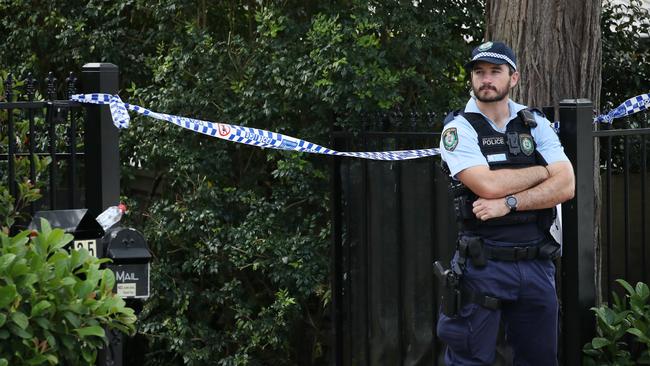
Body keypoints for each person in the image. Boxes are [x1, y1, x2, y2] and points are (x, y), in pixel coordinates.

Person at [435, 41, 575, 365]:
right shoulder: (458, 129)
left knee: (540, 358)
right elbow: (487, 184)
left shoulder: (534, 122)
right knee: (468, 359)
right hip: (484, 263)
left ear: (513, 78)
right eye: (479, 72)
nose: (486, 79)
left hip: (537, 262)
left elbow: (566, 185)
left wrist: (508, 202)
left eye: (495, 72)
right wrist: (541, 171)